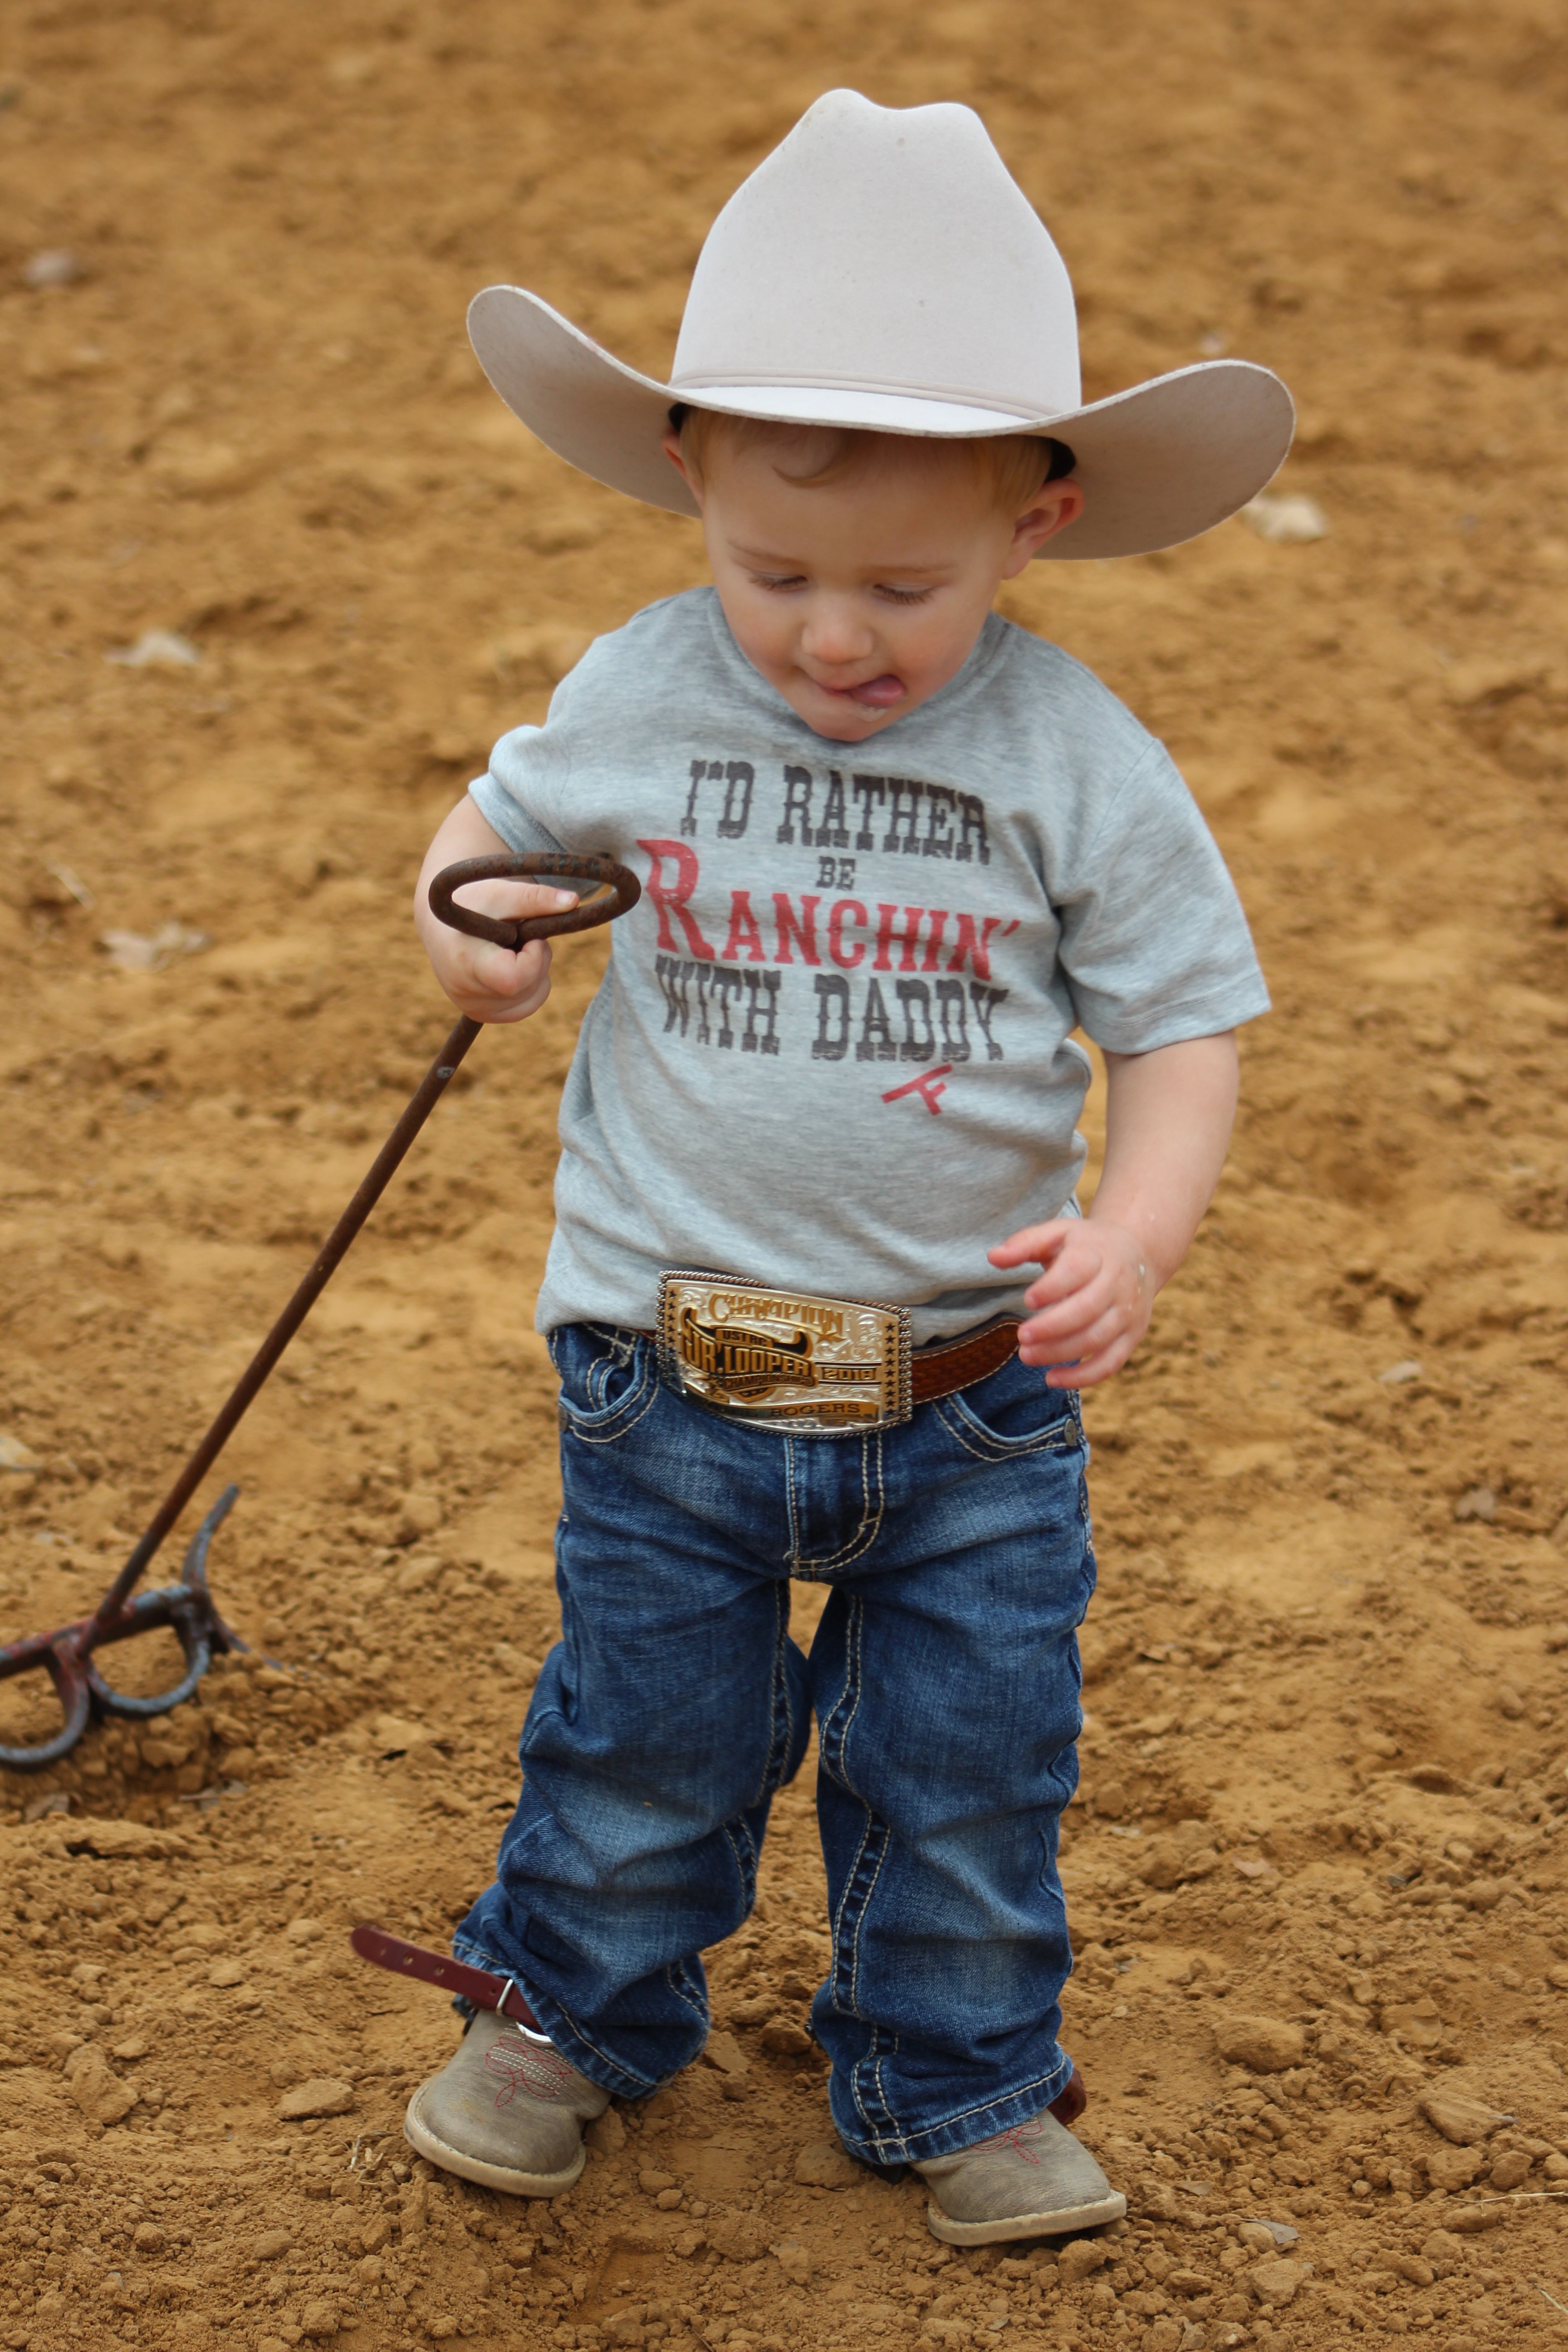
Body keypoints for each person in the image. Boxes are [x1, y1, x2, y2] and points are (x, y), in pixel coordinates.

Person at [403, 88, 1289, 2246]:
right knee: (641, 1740)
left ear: (1038, 522)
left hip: (978, 1394)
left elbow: (1184, 1023)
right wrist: (465, 921)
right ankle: (575, 2018)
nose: (831, 635)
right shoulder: (638, 686)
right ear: (690, 474)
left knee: (974, 1763)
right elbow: (489, 832)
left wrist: (1138, 1233)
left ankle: (960, 2077)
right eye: (774, 570)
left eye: (908, 582)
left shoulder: (1070, 753)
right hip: (669, 1372)